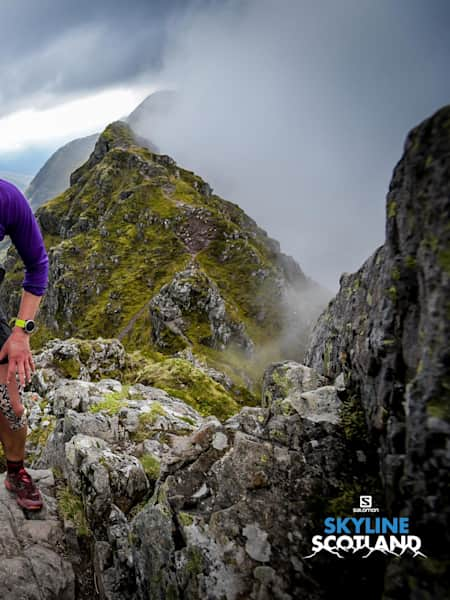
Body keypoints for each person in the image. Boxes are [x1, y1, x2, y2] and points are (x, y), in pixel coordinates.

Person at [0, 178, 49, 510]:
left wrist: (21, 333)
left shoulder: (6, 198)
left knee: (12, 406)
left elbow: (37, 264)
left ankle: (15, 472)